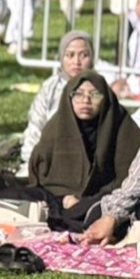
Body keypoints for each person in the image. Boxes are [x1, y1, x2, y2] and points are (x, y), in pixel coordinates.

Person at [0, 71, 140, 232]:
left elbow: (128, 182)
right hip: (58, 200)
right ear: (69, 97)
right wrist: (64, 198)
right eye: (78, 94)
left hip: (104, 200)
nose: (86, 100)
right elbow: (40, 175)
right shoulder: (57, 126)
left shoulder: (122, 127)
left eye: (94, 94)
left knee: (92, 212)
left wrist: (85, 201)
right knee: (11, 193)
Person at [17, 30, 95, 176]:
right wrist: (33, 162)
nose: (76, 62)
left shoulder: (100, 90)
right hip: (47, 162)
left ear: (92, 58)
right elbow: (35, 127)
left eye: (84, 55)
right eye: (70, 55)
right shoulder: (49, 89)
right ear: (61, 57)